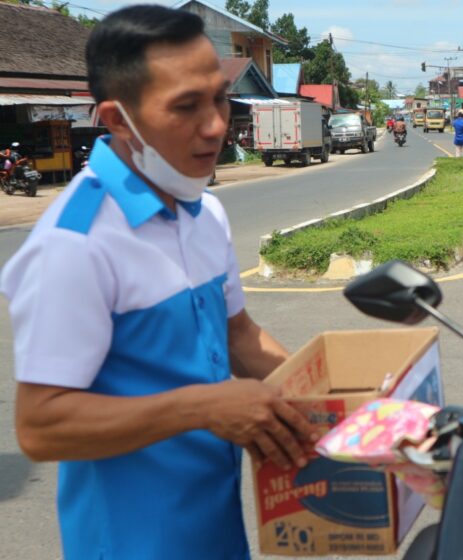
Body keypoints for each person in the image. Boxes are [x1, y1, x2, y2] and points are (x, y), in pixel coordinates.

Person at [0, 6, 316, 559]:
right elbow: (41, 426)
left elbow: (241, 337)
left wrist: (332, 406)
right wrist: (202, 407)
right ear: (118, 120)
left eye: (218, 98)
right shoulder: (73, 244)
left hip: (217, 530)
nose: (217, 125)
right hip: (129, 544)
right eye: (186, 107)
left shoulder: (204, 211)